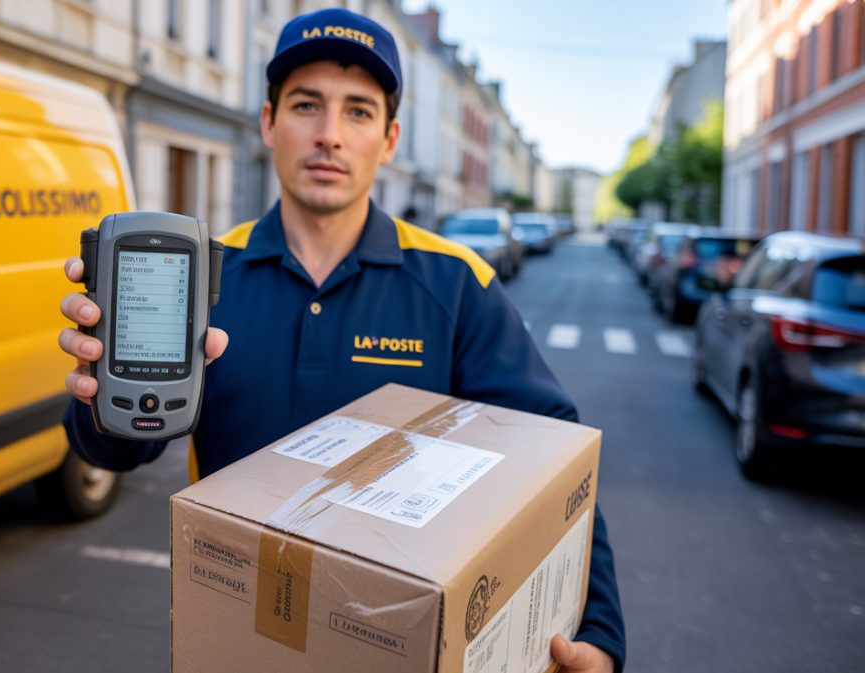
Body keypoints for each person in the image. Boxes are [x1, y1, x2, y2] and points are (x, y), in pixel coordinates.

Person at [58, 8, 625, 672]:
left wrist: (601, 633)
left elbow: (558, 465)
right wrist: (100, 390)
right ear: (269, 122)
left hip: (403, 649)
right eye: (306, 105)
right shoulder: (210, 276)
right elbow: (125, 445)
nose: (329, 135)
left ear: (388, 140)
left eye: (358, 112)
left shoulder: (457, 282)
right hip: (236, 638)